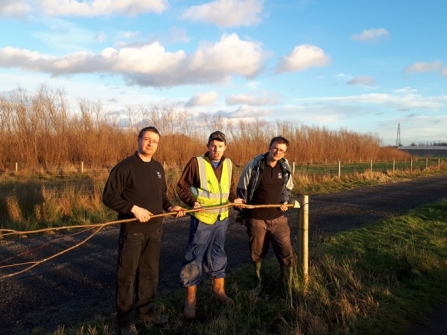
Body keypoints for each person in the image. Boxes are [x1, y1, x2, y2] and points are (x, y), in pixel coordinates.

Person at [103, 126, 186, 335]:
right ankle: (125, 322)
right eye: (147, 139)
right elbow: (109, 196)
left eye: (155, 141)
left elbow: (162, 196)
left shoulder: (158, 167)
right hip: (133, 232)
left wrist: (170, 207)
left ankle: (147, 312)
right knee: (127, 276)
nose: (150, 144)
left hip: (155, 231)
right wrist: (133, 208)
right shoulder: (125, 167)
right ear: (138, 140)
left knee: (150, 273)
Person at [176, 130, 244, 319]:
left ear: (225, 147)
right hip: (202, 219)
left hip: (222, 219)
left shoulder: (229, 164)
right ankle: (190, 301)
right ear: (208, 146)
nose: (216, 149)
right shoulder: (196, 163)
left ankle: (219, 291)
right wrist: (192, 202)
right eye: (213, 146)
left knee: (218, 255)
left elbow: (228, 189)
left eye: (220, 146)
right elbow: (181, 186)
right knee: (193, 257)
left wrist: (235, 200)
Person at [236, 136, 295, 296]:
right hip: (256, 218)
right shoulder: (256, 164)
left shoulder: (285, 166)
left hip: (278, 218)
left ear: (285, 153)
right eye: (275, 148)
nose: (277, 152)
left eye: (282, 150)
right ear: (269, 147)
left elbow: (288, 187)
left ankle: (286, 286)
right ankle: (259, 284)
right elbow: (242, 185)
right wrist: (243, 204)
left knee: (285, 250)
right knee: (257, 252)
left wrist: (286, 200)